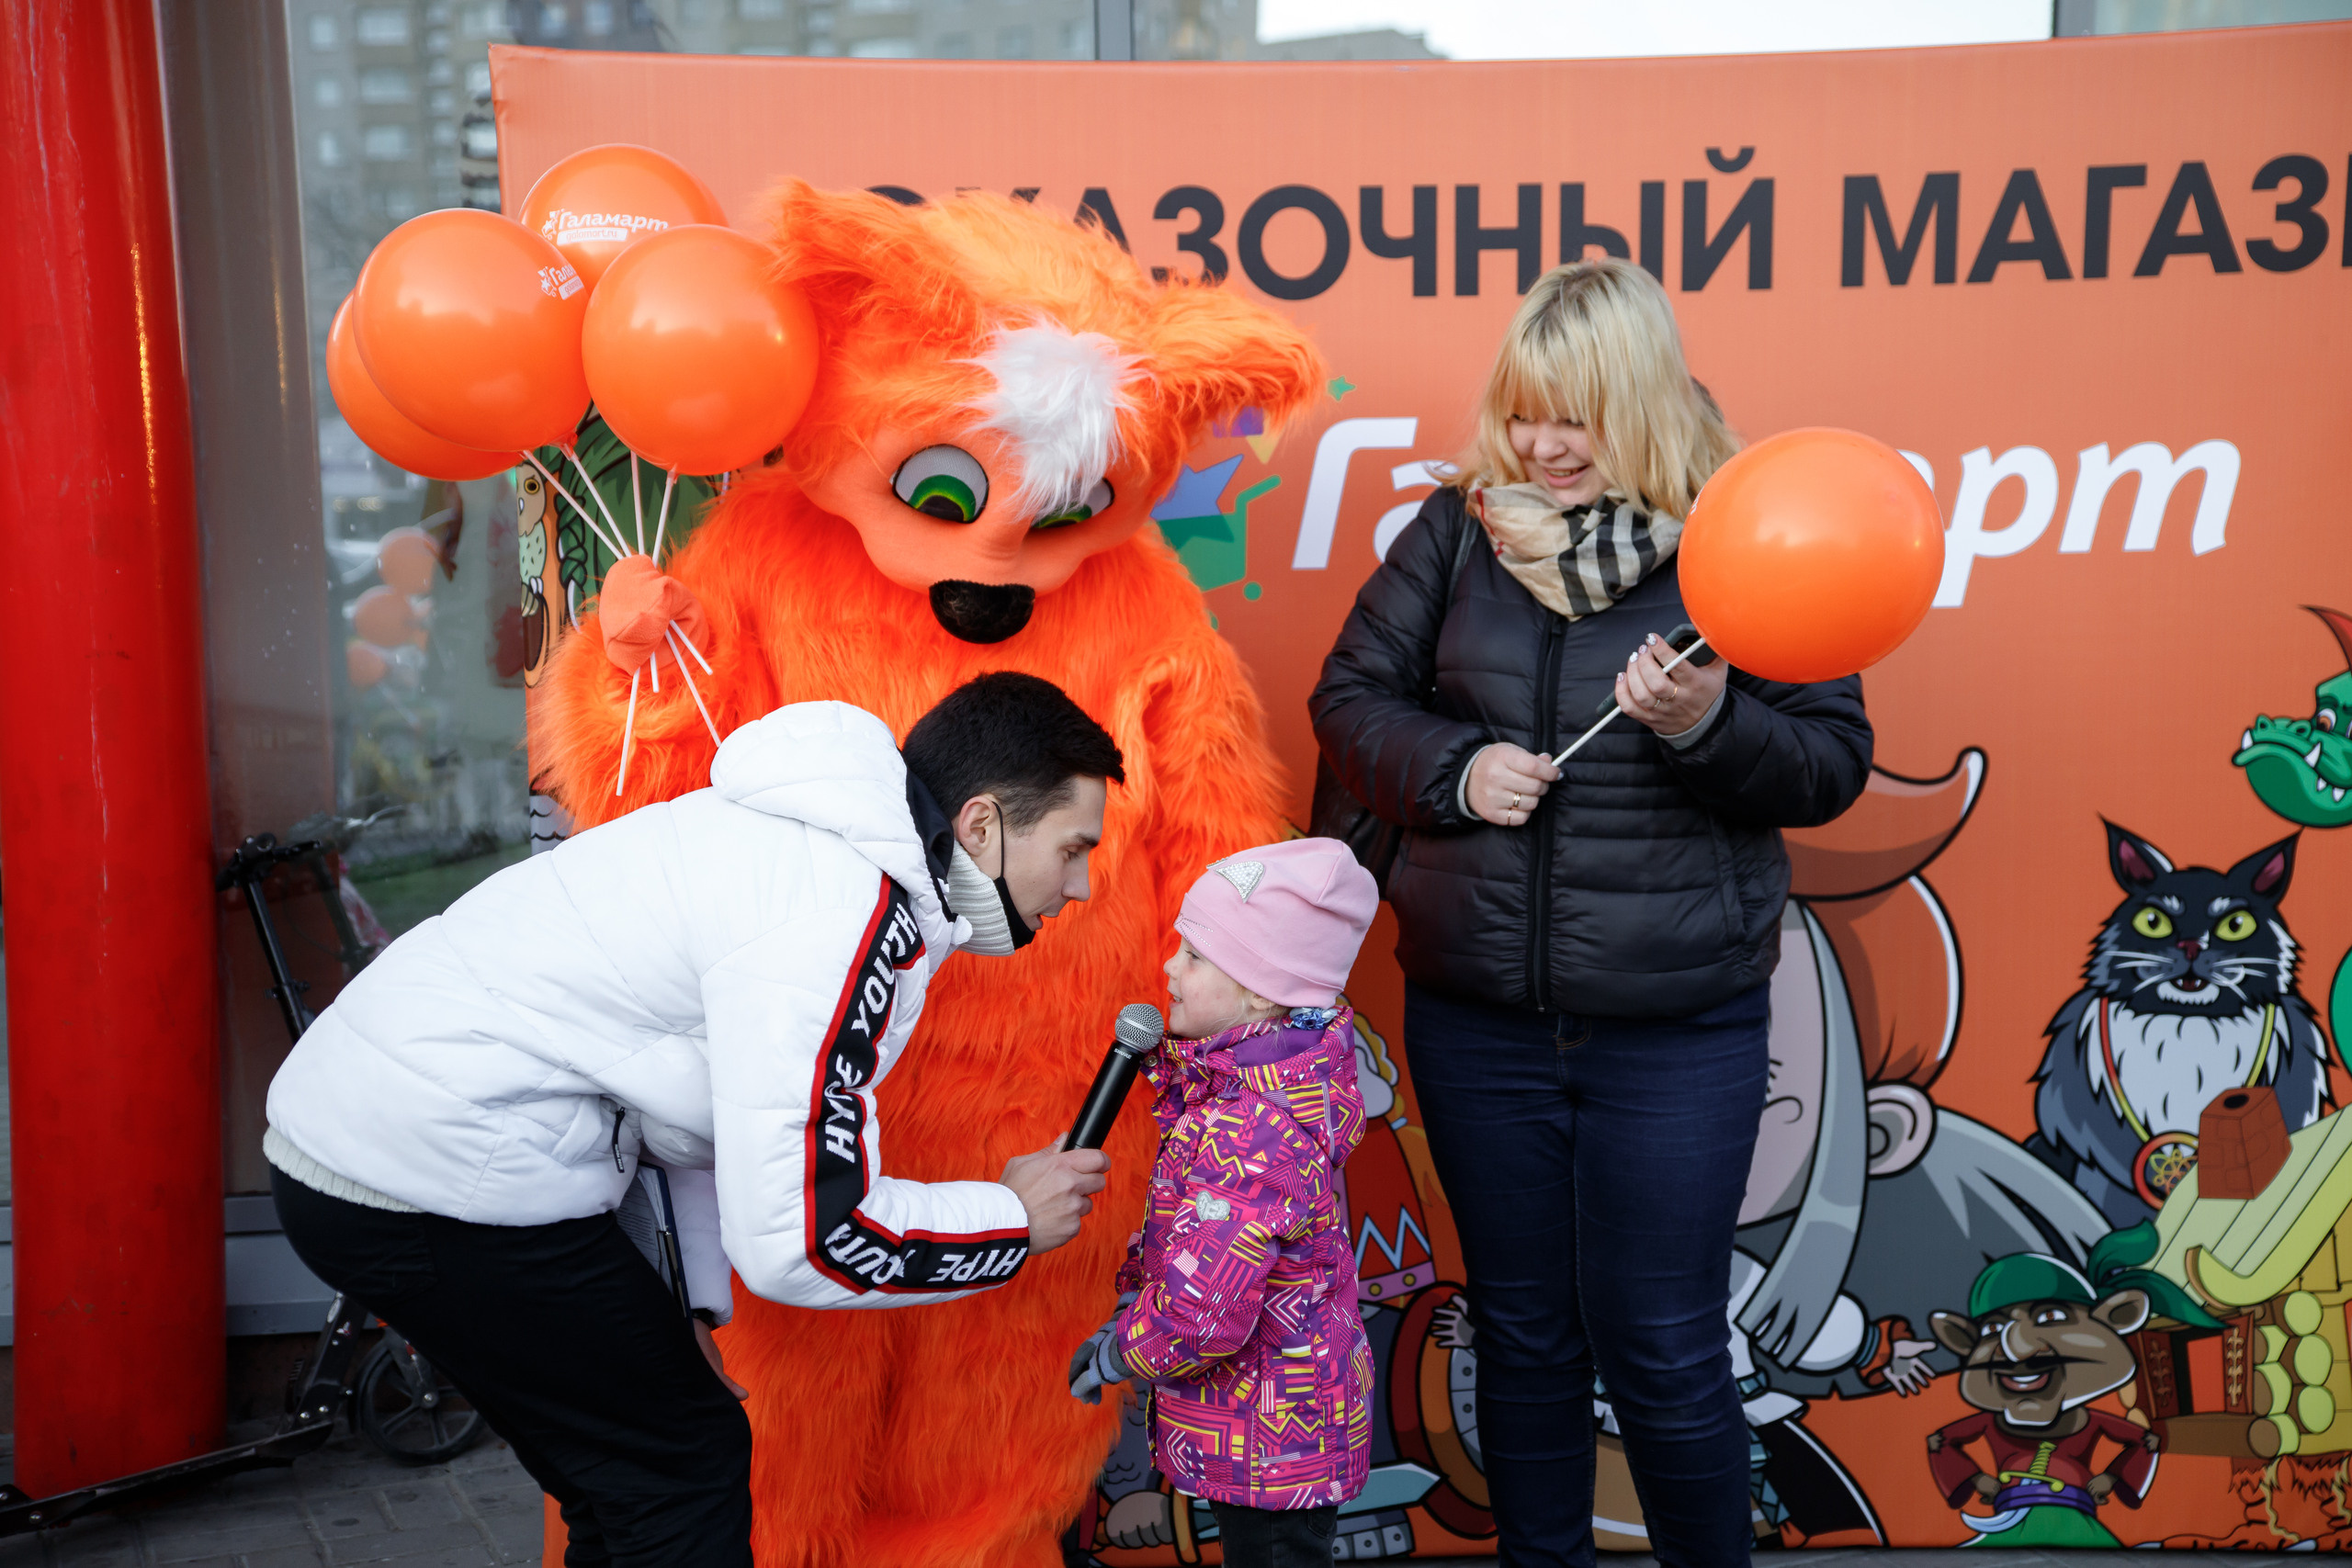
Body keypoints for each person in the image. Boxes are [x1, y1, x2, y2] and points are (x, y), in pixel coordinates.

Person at [265, 672, 1120, 1567]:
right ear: (981, 825)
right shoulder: (837, 910)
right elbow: (811, 1240)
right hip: (419, 1164)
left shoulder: (823, 859)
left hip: (382, 1143)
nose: (1083, 885)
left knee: (637, 1475)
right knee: (677, 1470)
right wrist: (1011, 1219)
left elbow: (689, 1117)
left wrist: (686, 1311)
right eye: (1071, 848)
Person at [1308, 258, 1872, 1568]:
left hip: (1678, 1033)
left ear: (1647, 405)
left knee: (1667, 1341)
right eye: (1524, 412)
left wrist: (1708, 723)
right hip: (1479, 1021)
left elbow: (1829, 765)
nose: (1546, 445)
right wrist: (1455, 768)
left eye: (1580, 413)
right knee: (1521, 1331)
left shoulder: (1751, 536)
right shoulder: (1457, 531)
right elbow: (1347, 703)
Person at [1066, 838, 1379, 1568]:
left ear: (1262, 992)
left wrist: (1121, 1351)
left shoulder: (1252, 1127)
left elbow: (1205, 1311)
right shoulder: (1253, 1095)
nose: (1170, 967)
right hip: (1270, 1427)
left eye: (1195, 955)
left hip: (1272, 1439)